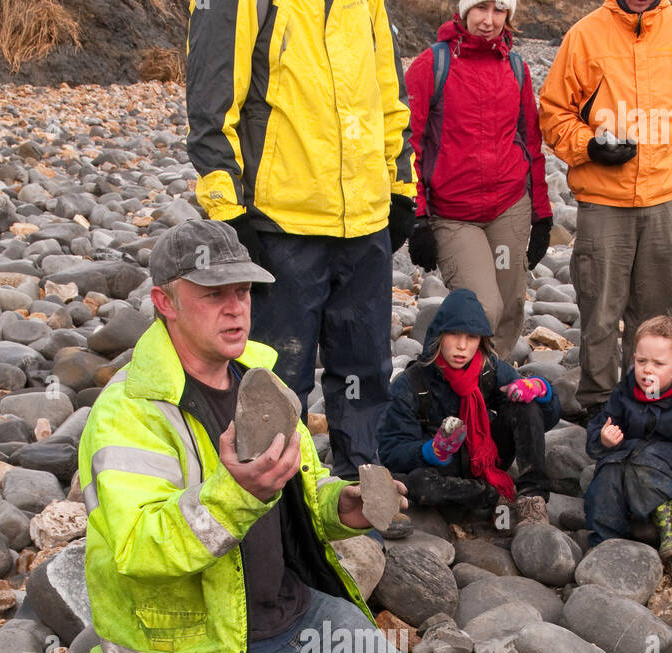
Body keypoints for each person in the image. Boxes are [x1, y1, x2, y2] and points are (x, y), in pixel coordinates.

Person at [77, 221, 422, 653]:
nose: (236, 309)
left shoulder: (260, 381)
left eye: (243, 290)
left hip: (291, 607)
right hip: (216, 641)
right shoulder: (128, 414)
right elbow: (139, 547)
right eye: (213, 294)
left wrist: (344, 506)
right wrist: (236, 495)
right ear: (165, 302)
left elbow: (304, 489)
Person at [186, 0, 416, 480]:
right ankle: (274, 507)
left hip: (364, 223)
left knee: (365, 372)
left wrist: (400, 188)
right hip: (281, 223)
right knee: (275, 377)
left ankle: (358, 492)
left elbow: (390, 101)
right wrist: (229, 212)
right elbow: (211, 104)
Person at [539, 0, 672, 419]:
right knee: (599, 314)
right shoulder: (584, 34)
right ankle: (601, 406)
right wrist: (589, 147)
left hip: (664, 198)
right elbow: (553, 112)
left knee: (658, 315)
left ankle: (656, 402)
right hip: (603, 201)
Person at [405, 0, 552, 359]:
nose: (488, 21)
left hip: (508, 207)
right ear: (464, 10)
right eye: (481, 8)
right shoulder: (431, 65)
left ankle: (490, 385)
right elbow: (409, 143)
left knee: (510, 307)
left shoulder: (516, 67)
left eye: (499, 11)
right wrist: (418, 217)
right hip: (454, 214)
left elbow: (530, 142)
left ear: (508, 16)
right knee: (483, 308)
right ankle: (448, 380)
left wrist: (542, 214)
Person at [378, 288, 560, 527]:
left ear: (481, 340)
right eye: (454, 334)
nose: (462, 346)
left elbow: (541, 421)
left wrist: (542, 391)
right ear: (439, 336)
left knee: (525, 404)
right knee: (418, 484)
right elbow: (390, 450)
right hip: (444, 469)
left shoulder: (490, 369)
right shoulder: (412, 383)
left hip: (489, 456)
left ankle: (530, 499)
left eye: (471, 337)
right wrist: (430, 451)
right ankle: (492, 496)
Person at [583, 316, 672, 558]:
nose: (647, 369)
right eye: (641, 361)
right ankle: (604, 542)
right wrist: (603, 439)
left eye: (658, 364)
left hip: (670, 473)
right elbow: (603, 423)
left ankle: (667, 521)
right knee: (607, 474)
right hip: (626, 461)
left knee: (645, 461)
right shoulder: (625, 391)